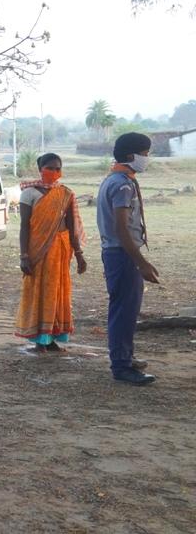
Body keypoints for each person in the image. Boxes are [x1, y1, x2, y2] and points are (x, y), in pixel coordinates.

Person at [96, 132, 158, 385]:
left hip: (119, 253)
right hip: (122, 255)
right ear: (131, 155)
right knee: (124, 311)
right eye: (144, 154)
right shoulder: (121, 184)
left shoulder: (116, 179)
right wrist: (141, 262)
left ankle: (125, 357)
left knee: (125, 309)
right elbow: (121, 229)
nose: (147, 159)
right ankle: (121, 366)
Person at [15, 153, 88, 353]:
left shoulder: (66, 193)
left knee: (58, 292)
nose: (54, 172)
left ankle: (52, 338)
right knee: (40, 292)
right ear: (40, 169)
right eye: (50, 167)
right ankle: (40, 340)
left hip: (61, 249)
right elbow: (24, 227)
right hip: (38, 251)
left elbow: (72, 228)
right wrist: (24, 256)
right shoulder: (28, 193)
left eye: (58, 168)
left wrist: (79, 255)